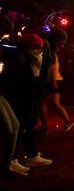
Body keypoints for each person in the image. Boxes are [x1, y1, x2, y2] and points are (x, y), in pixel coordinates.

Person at [1, 34, 53, 168]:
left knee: (25, 125)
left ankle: (25, 156)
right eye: (38, 48)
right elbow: (18, 80)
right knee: (18, 126)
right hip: (21, 97)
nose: (40, 51)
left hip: (27, 96)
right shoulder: (20, 58)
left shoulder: (28, 57)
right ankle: (11, 160)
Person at [0, 15, 29, 178]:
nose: (5, 36)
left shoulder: (3, 45)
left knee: (15, 125)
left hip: (0, 92)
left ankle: (7, 165)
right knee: (8, 129)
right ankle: (4, 167)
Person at [37, 27, 74, 134]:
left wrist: (53, 81)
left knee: (42, 103)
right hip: (57, 80)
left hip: (52, 80)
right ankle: (68, 121)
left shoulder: (51, 53)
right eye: (60, 44)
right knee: (55, 103)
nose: (62, 46)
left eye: (63, 44)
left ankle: (44, 126)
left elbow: (52, 68)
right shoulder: (52, 53)